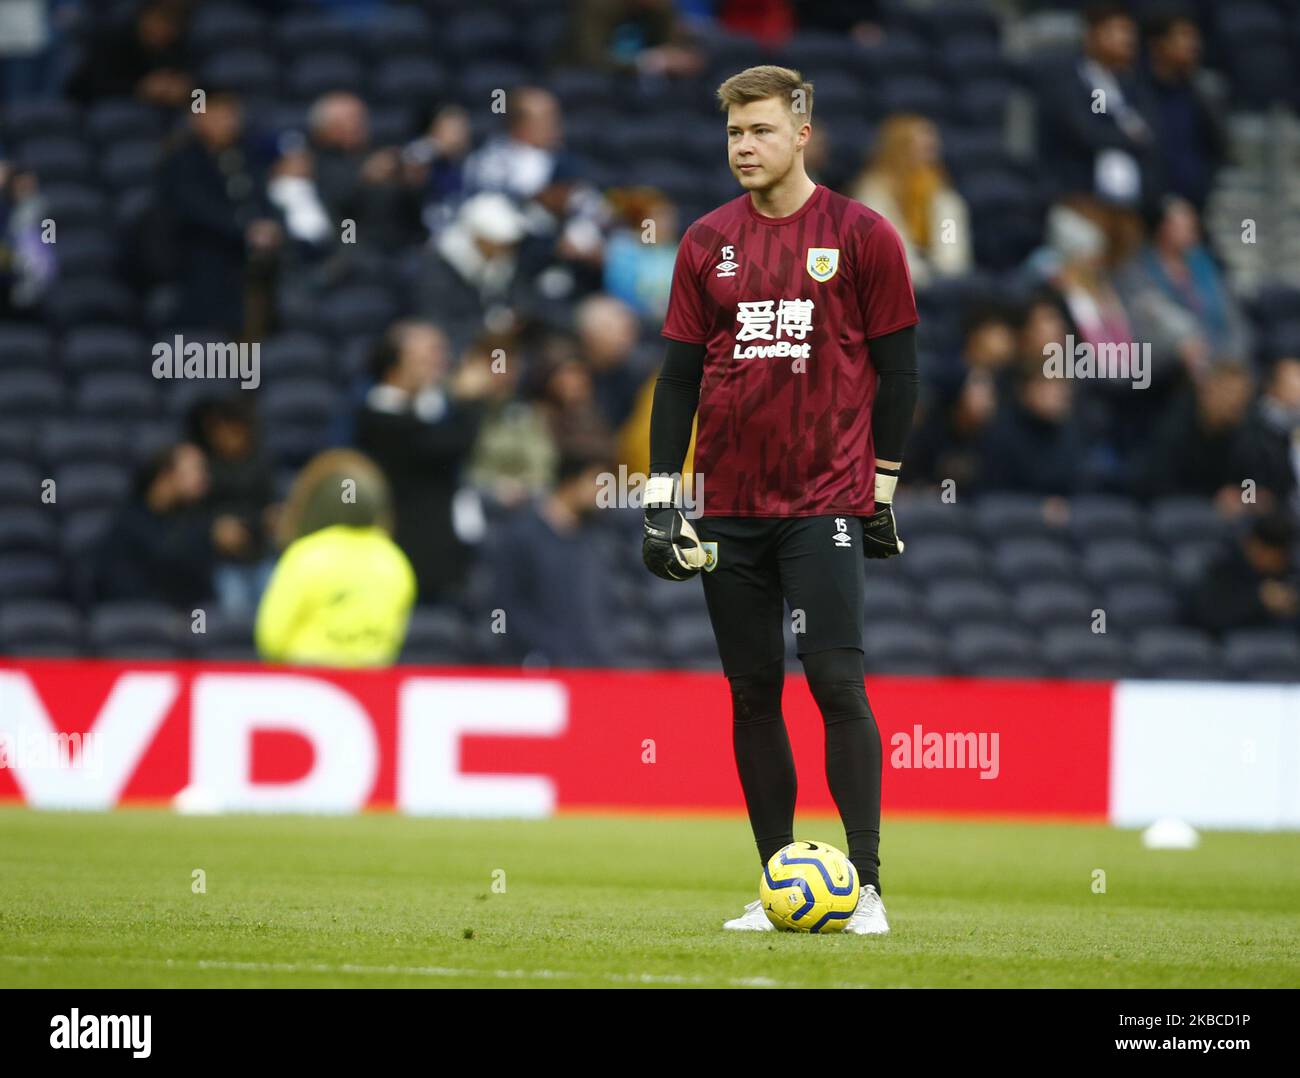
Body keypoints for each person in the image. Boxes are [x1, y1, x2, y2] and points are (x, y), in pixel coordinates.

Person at [644, 65, 919, 935]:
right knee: (752, 693)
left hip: (824, 498)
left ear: (803, 133)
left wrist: (880, 483)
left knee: (836, 681)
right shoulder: (703, 243)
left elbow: (900, 371)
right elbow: (678, 377)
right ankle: (779, 883)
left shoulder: (863, 235)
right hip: (728, 503)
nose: (744, 147)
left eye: (760, 130)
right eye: (733, 133)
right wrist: (661, 498)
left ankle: (867, 887)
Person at [354, 320, 492, 603]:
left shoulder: (432, 408)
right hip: (408, 554)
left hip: (448, 555)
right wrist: (469, 402)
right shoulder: (378, 417)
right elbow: (445, 445)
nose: (440, 363)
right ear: (395, 363)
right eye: (428, 355)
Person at [256, 449, 415, 667]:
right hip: (373, 685)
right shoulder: (395, 562)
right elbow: (395, 638)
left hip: (306, 683)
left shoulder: (305, 555)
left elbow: (271, 638)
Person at [95, 443, 245, 609]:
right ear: (165, 476)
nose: (204, 478)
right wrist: (207, 536)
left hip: (190, 620)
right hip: (140, 618)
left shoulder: (194, 517)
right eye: (195, 470)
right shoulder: (128, 522)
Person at [849, 114, 972, 286]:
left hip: (934, 281)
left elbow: (951, 245)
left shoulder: (941, 193)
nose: (927, 157)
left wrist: (947, 269)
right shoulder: (873, 192)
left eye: (930, 149)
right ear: (898, 149)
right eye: (920, 149)